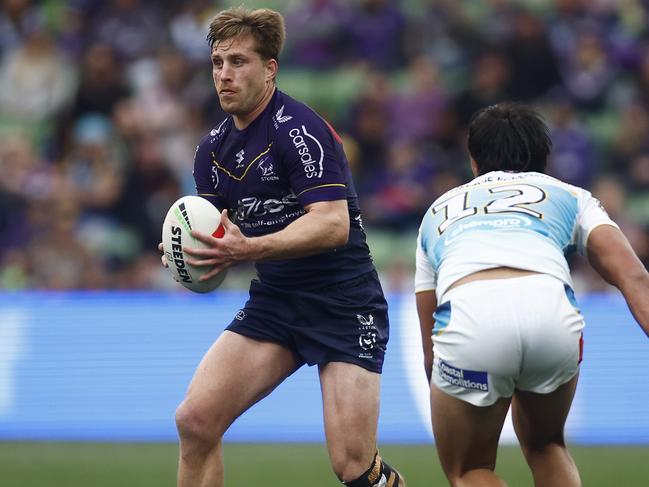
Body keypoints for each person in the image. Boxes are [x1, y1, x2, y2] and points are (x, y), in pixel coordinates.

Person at [159, 7, 405, 487]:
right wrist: (185, 254)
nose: (224, 75)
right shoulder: (211, 151)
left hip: (344, 303)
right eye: (217, 63)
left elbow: (332, 226)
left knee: (353, 466)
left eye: (238, 62)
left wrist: (246, 249)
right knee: (195, 420)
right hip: (276, 304)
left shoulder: (299, 130)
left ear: (269, 69)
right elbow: (215, 241)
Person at [415, 102, 649, 487]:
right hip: (551, 313)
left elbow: (429, 345)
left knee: (470, 469)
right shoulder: (570, 195)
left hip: (472, 318)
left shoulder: (438, 211)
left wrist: (451, 388)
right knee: (547, 445)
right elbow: (634, 278)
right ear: (545, 159)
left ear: (473, 161)